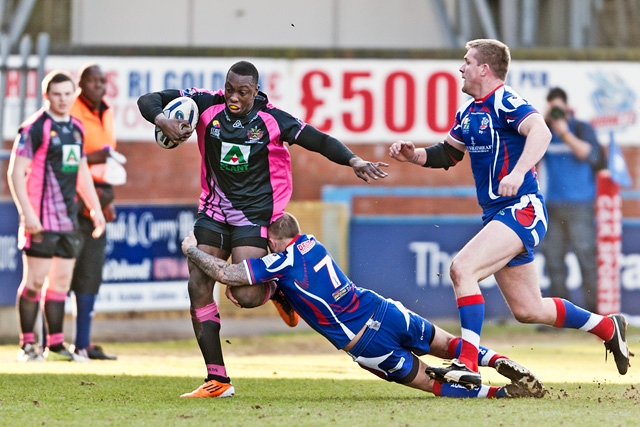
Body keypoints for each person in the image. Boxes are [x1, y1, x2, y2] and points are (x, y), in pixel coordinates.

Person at [388, 39, 631, 388]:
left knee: (462, 268)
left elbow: (541, 130)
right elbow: (447, 154)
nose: (461, 67)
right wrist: (414, 155)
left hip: (522, 208)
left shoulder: (504, 99)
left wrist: (518, 173)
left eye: (467, 61)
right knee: (529, 309)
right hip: (499, 214)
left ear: (484, 69)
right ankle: (608, 327)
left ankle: (467, 363)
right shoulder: (469, 112)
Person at [137, 61, 388, 394]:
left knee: (246, 294)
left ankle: (275, 291)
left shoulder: (272, 119)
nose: (234, 98)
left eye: (242, 92)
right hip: (213, 211)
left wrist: (354, 160)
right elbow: (148, 99)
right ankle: (217, 379)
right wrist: (163, 119)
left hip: (253, 216)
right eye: (229, 89)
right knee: (198, 285)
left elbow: (319, 140)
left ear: (256, 90)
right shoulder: (206, 104)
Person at [181, 212, 547, 399]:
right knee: (449, 344)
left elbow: (227, 274)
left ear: (275, 242)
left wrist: (191, 249)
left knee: (427, 382)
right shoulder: (312, 243)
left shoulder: (283, 259)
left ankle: (502, 393)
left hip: (364, 341)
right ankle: (499, 361)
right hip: (383, 308)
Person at [7, 70, 106, 362]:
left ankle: (56, 346)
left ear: (73, 94)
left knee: (61, 284)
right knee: (35, 282)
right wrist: (27, 214)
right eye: (57, 94)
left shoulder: (75, 128)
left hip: (67, 220)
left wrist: (95, 209)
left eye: (67, 94)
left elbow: (81, 174)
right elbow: (14, 172)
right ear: (46, 95)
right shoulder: (34, 128)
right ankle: (27, 346)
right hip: (39, 218)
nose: (62, 99)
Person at [67, 64, 120, 360]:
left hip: (100, 197)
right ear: (81, 83)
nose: (99, 85)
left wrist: (106, 199)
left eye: (103, 80)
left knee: (91, 273)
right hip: (72, 199)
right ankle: (51, 343)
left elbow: (108, 160)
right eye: (93, 80)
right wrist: (92, 158)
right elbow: (63, 158)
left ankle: (83, 344)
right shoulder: (72, 111)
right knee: (62, 273)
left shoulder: (108, 112)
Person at [539, 87, 606, 314]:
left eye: (559, 108)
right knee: (553, 261)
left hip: (580, 206)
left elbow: (589, 154)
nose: (557, 113)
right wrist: (540, 122)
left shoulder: (581, 128)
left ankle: (598, 316)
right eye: (553, 109)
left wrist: (565, 132)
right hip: (552, 206)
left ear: (567, 107)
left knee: (586, 258)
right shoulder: (543, 131)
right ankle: (560, 317)